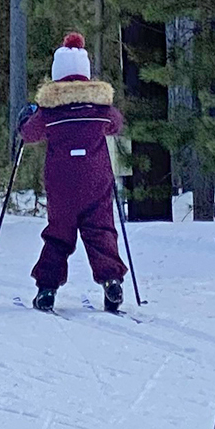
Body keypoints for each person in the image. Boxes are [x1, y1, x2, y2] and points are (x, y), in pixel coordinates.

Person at [18, 32, 128, 313]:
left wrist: (24, 118)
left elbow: (29, 134)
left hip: (61, 184)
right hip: (97, 180)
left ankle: (46, 289)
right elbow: (117, 125)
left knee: (59, 234)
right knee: (101, 231)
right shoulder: (101, 108)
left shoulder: (49, 111)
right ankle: (112, 281)